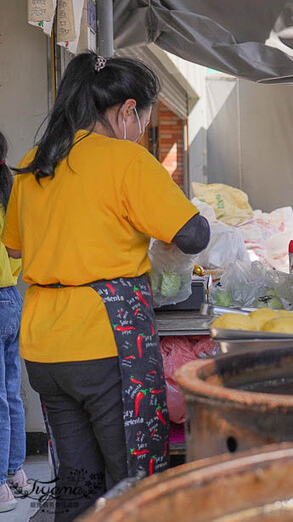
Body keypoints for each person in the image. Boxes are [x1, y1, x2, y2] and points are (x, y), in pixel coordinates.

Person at [2, 53, 209, 519]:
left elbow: (14, 248)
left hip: (45, 346)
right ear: (127, 111)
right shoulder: (126, 160)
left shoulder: (37, 162)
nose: (140, 131)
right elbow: (194, 234)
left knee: (78, 482)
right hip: (106, 339)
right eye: (143, 120)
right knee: (132, 481)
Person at [0, 132, 26, 513]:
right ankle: (17, 472)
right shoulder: (11, 191)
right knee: (11, 389)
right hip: (12, 299)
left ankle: (0, 484)